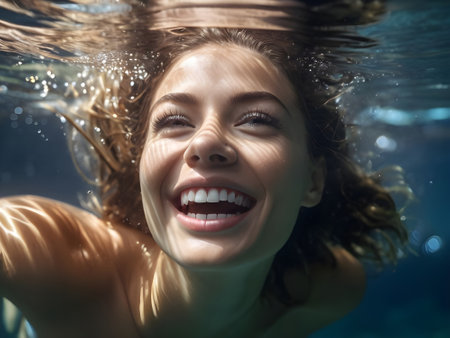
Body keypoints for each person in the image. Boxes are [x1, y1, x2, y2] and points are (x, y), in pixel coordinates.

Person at [0, 2, 408, 337]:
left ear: (313, 180)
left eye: (256, 119)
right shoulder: (52, 255)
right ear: (142, 165)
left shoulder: (331, 289)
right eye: (174, 121)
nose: (206, 143)